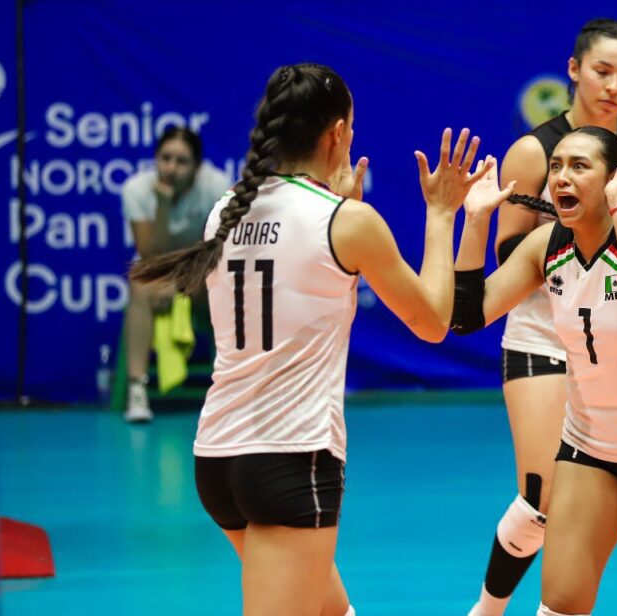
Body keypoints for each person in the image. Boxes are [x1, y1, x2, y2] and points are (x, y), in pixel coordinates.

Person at [131, 63, 495, 616]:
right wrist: (442, 214)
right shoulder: (347, 221)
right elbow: (433, 321)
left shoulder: (223, 211)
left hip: (218, 458)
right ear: (338, 134)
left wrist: (334, 201)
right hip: (290, 458)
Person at [453, 126, 617, 616]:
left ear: (615, 179)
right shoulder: (546, 247)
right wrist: (473, 224)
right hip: (591, 447)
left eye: (579, 166)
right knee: (561, 603)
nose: (561, 178)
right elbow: (466, 316)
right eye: (556, 166)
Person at [470, 18, 617, 615]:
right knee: (541, 498)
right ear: (573, 70)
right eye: (602, 72)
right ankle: (486, 609)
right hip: (546, 333)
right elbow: (512, 255)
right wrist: (573, 226)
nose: (614, 86)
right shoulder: (537, 151)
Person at [121, 126, 230, 422]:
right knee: (139, 287)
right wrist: (164, 206)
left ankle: (232, 387)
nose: (171, 168)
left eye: (181, 161)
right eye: (165, 158)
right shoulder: (136, 190)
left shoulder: (216, 186)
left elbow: (220, 247)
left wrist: (188, 281)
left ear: (197, 167)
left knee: (226, 284)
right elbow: (149, 254)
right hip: (158, 271)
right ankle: (137, 390)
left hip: (202, 267)